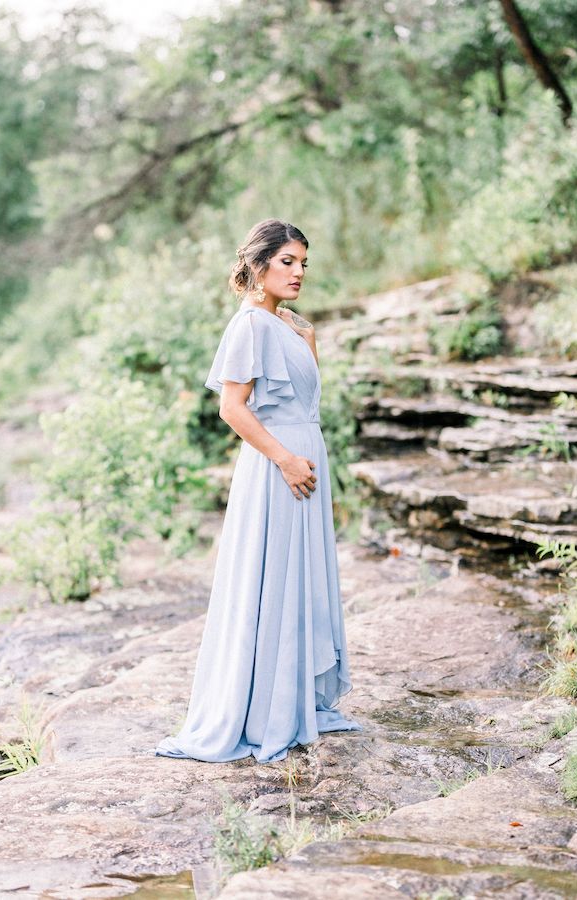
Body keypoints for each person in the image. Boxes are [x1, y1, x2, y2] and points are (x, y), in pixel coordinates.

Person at [155, 218, 363, 764]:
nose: (298, 273)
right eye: (287, 261)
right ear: (258, 264)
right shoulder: (248, 325)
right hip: (279, 468)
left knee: (300, 578)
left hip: (303, 459)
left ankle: (293, 696)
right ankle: (262, 708)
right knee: (271, 578)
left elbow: (303, 402)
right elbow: (232, 408)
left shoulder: (285, 325)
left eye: (303, 264)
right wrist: (286, 460)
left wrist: (310, 343)